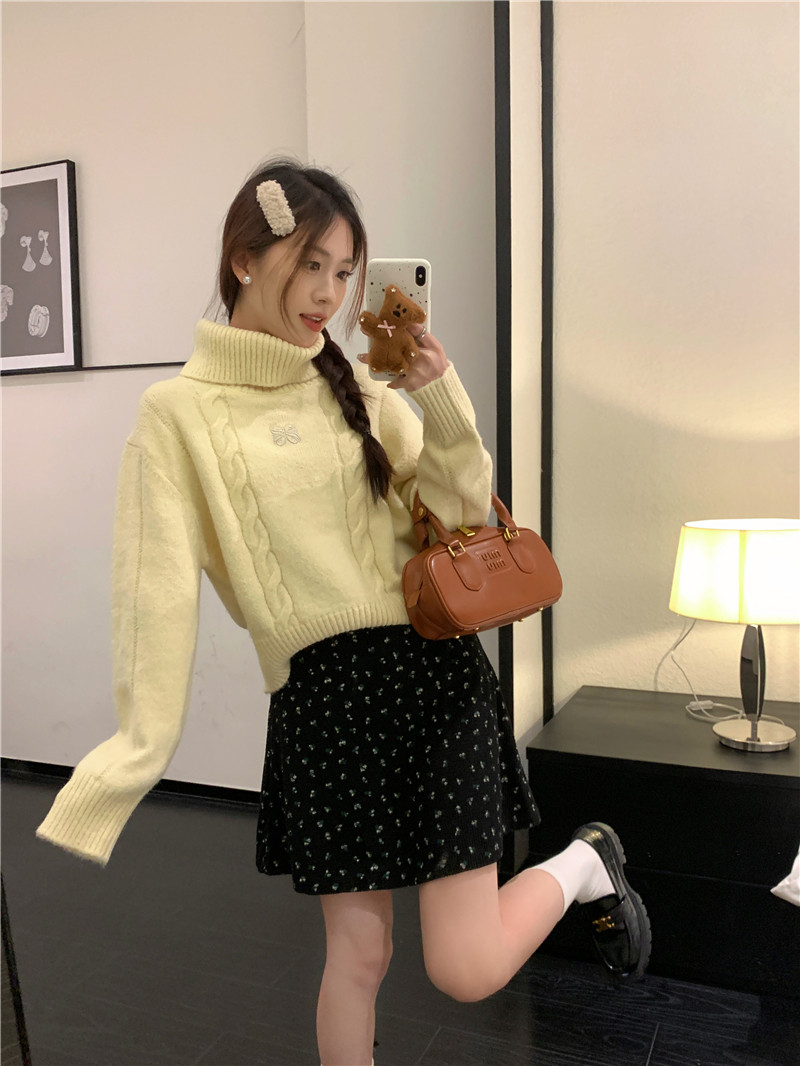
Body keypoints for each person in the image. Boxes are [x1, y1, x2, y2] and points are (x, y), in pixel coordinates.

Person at [36, 158, 651, 1066]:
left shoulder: (361, 388)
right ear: (245, 259)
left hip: (433, 682)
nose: (329, 294)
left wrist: (441, 401)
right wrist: (133, 756)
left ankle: (584, 861)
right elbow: (152, 594)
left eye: (345, 271)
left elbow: (460, 517)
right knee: (358, 958)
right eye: (310, 265)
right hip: (324, 706)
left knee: (466, 967)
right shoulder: (176, 415)